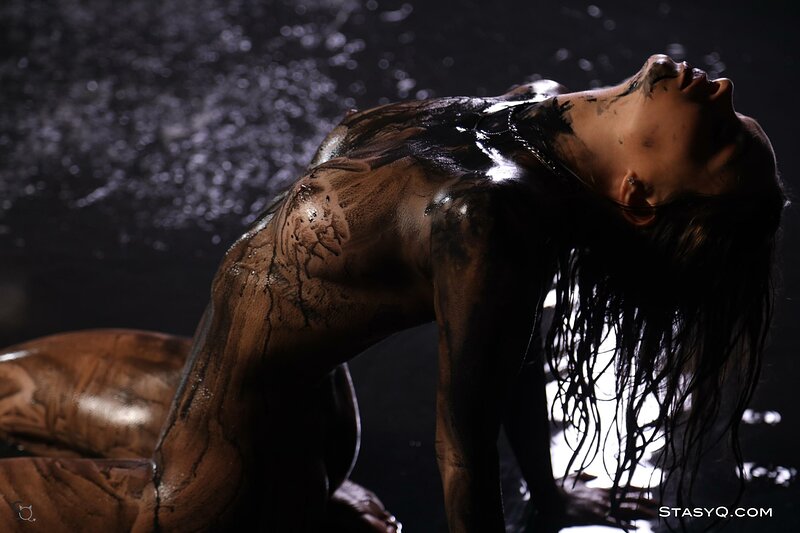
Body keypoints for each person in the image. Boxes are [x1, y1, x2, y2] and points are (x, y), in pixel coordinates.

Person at [0, 53, 784, 532]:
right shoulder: (531, 115)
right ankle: (306, 499)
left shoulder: (494, 216)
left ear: (639, 196)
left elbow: (465, 447)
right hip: (268, 409)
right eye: (735, 114)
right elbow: (512, 345)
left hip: (219, 486)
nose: (720, 88)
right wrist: (548, 496)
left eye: (720, 138)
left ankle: (292, 505)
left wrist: (543, 503)